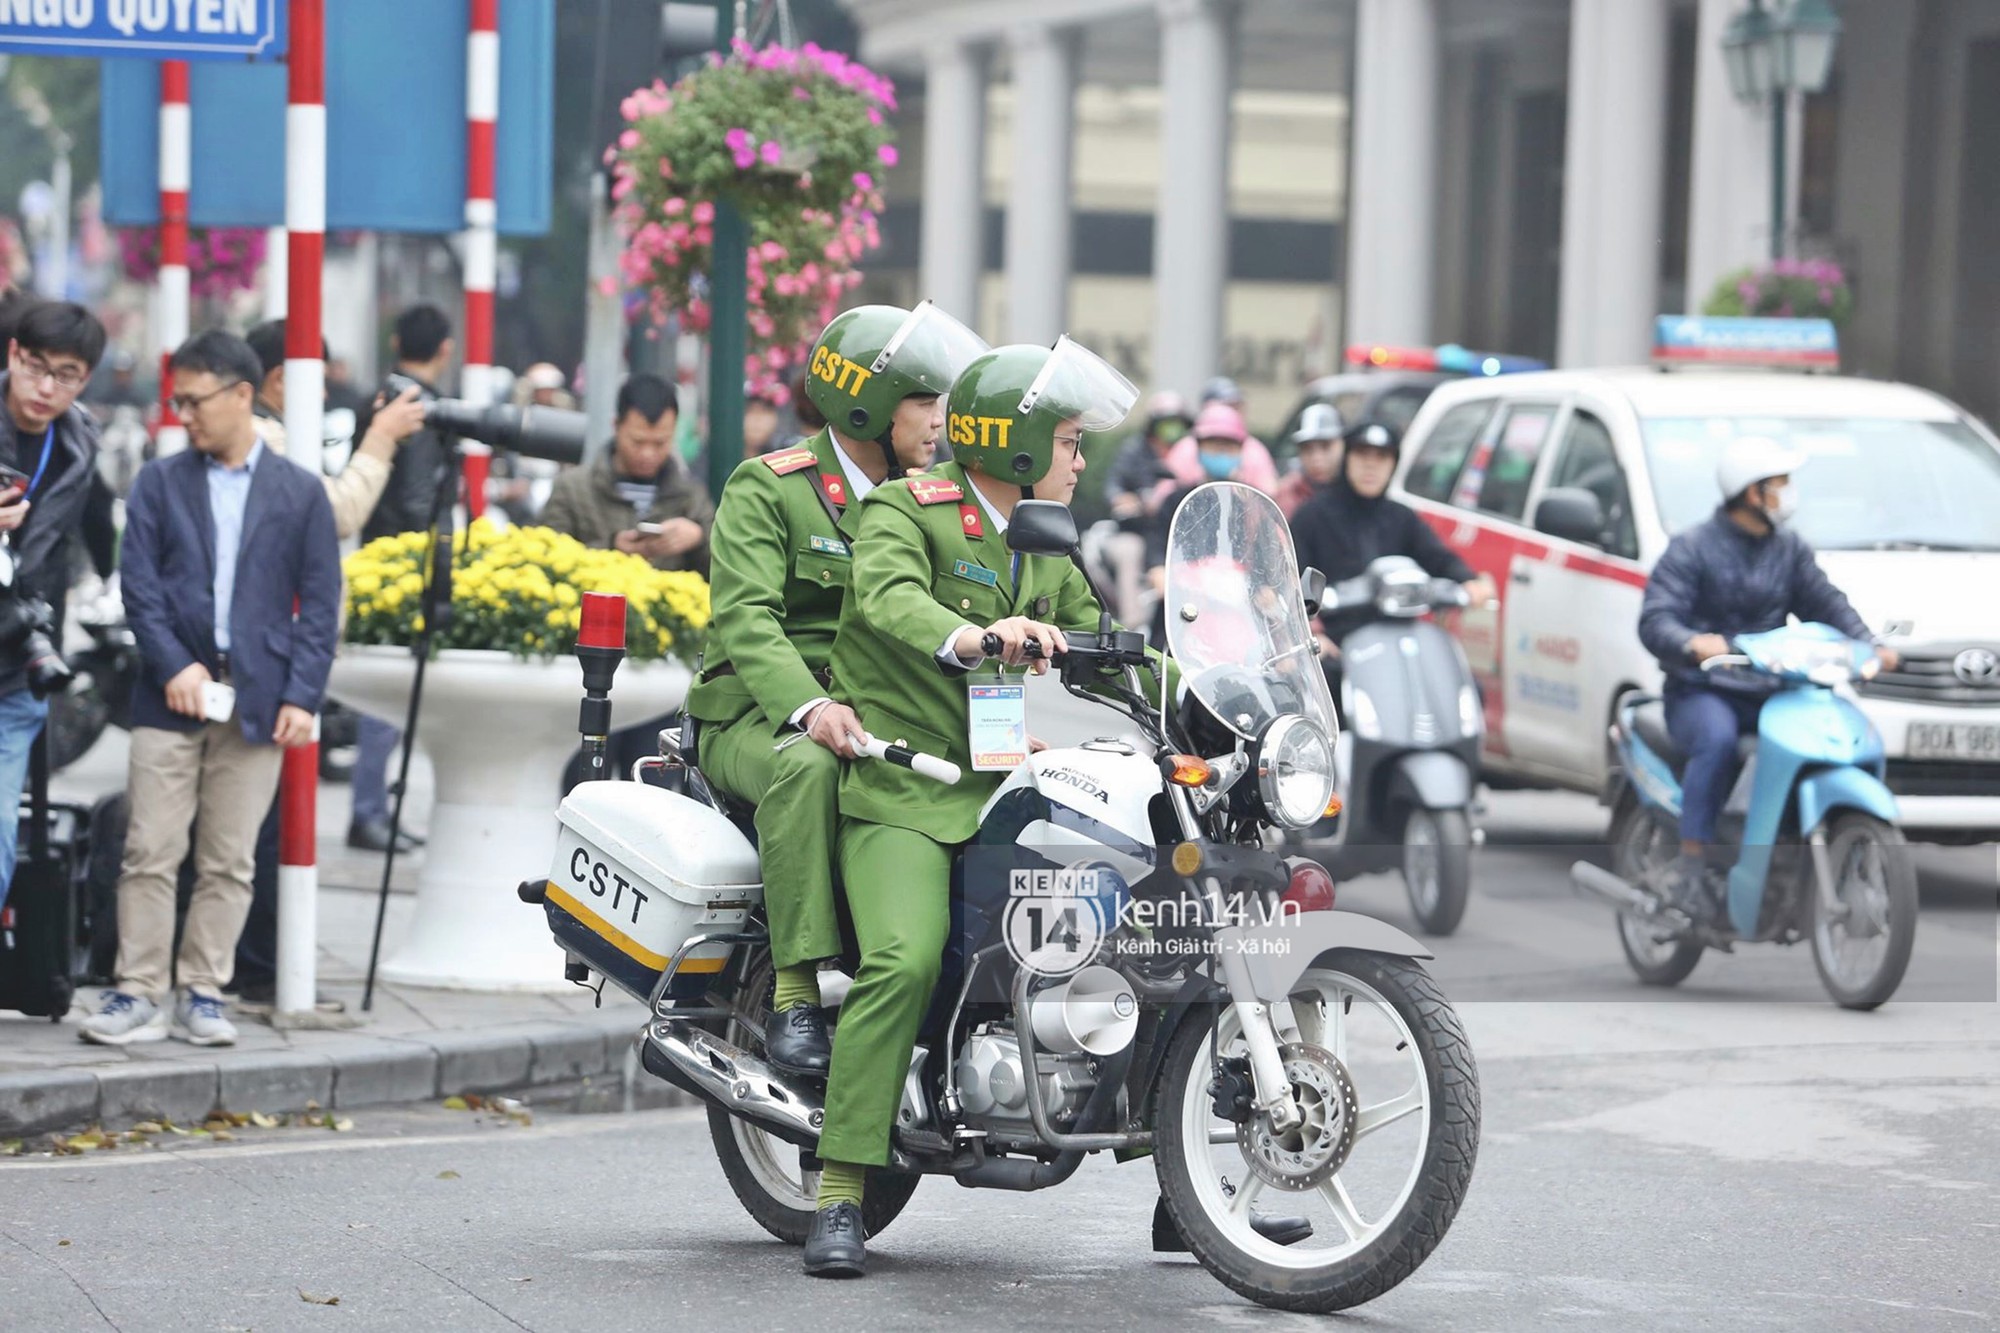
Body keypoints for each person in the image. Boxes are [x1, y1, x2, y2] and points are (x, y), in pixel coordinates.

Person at [802, 337, 1224, 1277]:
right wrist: (973, 635)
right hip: (906, 789)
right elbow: (887, 600)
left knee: (1152, 938)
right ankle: (838, 1190)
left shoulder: (1042, 539)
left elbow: (1104, 642)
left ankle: (1187, 1195)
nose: (1083, 460)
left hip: (1004, 787)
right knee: (904, 961)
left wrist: (1211, 701)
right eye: (1072, 442)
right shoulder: (902, 513)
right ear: (1022, 444)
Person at [686, 300, 985, 1081]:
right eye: (922, 401)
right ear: (868, 404)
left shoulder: (929, 502)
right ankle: (793, 995)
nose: (936, 419)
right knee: (811, 766)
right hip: (759, 717)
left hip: (881, 716)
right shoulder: (770, 488)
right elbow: (747, 618)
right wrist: (812, 707)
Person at [78, 330, 340, 1047]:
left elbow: (321, 605)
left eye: (194, 401)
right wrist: (175, 667)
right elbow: (141, 589)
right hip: (170, 696)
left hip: (259, 700)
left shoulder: (299, 492)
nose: (184, 415)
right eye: (177, 401)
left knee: (230, 858)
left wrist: (302, 696)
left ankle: (202, 990)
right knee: (150, 848)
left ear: (241, 396)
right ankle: (136, 991)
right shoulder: (162, 482)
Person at [231, 320, 425, 1011]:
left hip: (277, 648)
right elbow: (335, 509)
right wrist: (381, 440)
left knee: (265, 815)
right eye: (321, 373)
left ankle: (257, 959)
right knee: (261, 820)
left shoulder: (268, 434)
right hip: (265, 653)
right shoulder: (267, 438)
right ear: (282, 379)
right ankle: (255, 965)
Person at [1637, 436, 1888, 924]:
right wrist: (1692, 642)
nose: (1789, 494)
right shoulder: (1691, 548)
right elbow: (1656, 619)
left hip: (1770, 685)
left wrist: (1868, 645)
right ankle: (1693, 861)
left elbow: (1826, 603)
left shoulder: (1789, 549)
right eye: (1781, 485)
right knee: (1717, 741)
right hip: (1704, 689)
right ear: (1753, 493)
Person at [0, 300, 107, 913]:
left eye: (64, 375)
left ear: (84, 379)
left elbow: (96, 527)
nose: (45, 387)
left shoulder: (78, 445)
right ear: (13, 355)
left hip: (17, 662)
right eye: (35, 366)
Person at [349, 304, 456, 854]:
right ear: (445, 348)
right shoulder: (418, 408)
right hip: (401, 562)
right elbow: (417, 497)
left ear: (395, 341)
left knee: (381, 698)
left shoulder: (379, 396)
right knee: (386, 702)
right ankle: (368, 811)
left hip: (373, 551)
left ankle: (374, 809)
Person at [1289, 420, 1495, 687]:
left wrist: (1469, 581)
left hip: (1401, 640)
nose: (1371, 465)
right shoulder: (1312, 516)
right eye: (1362, 455)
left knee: (1464, 688)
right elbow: (1291, 583)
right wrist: (1314, 636)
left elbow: (1437, 557)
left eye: (1382, 457)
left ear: (1394, 464)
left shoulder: (1401, 517)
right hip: (1337, 646)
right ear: (1346, 459)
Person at [243, 319, 426, 538]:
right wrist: (382, 436)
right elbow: (337, 514)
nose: (324, 395)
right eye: (318, 381)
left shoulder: (256, 430)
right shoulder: (260, 437)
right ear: (280, 379)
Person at [539, 373, 713, 574]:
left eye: (660, 443)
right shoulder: (573, 489)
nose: (648, 454)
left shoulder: (690, 496)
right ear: (616, 426)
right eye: (638, 442)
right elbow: (547, 560)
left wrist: (699, 539)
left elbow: (726, 571)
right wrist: (612, 548)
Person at [1100, 391, 1191, 622]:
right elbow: (1113, 487)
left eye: (1177, 424)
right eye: (1166, 423)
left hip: (1175, 534)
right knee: (1131, 553)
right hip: (1138, 530)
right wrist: (1126, 500)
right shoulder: (1134, 450)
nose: (1172, 429)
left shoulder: (1189, 452)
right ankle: (1134, 626)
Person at [1275, 402, 1343, 519]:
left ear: (1343, 444)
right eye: (1307, 449)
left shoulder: (1359, 490)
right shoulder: (1288, 494)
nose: (1316, 457)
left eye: (1325, 446)